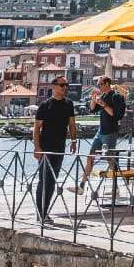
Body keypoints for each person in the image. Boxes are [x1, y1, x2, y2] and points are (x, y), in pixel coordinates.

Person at [33, 78, 78, 224]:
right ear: (54, 87)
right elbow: (37, 127)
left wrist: (73, 140)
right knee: (44, 180)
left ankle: (45, 212)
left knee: (52, 181)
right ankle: (40, 213)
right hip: (46, 148)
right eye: (62, 85)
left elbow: (72, 123)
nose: (65, 87)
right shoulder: (45, 105)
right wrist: (37, 148)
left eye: (67, 85)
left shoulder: (69, 104)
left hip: (60, 148)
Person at [81, 77, 125, 180]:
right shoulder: (103, 96)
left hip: (110, 131)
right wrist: (93, 97)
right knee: (90, 156)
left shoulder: (116, 96)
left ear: (107, 84)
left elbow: (115, 114)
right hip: (101, 131)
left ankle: (115, 187)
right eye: (97, 85)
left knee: (109, 158)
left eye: (100, 85)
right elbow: (92, 109)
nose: (98, 87)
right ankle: (82, 184)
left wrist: (103, 104)